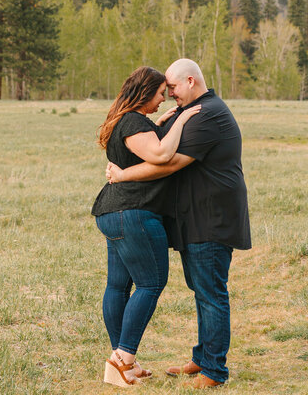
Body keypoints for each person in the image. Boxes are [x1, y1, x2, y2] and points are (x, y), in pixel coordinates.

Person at [107, 58, 250, 389]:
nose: (169, 94)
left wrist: (123, 175)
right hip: (195, 217)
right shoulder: (197, 111)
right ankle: (202, 357)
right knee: (201, 290)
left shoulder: (207, 113)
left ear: (190, 81)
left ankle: (214, 370)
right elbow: (158, 143)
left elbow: (168, 163)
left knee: (211, 292)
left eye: (171, 87)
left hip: (211, 216)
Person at [93, 66, 202, 387]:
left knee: (118, 286)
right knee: (151, 284)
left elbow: (135, 152)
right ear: (145, 93)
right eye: (159, 93)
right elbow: (160, 155)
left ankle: (125, 362)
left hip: (113, 211)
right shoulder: (132, 122)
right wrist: (181, 119)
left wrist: (158, 124)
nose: (163, 98)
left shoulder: (126, 121)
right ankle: (122, 359)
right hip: (134, 213)